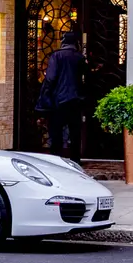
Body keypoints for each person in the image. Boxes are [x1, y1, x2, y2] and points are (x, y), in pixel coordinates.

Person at [38, 31, 89, 164]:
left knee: (56, 131)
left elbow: (50, 77)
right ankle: (75, 160)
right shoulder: (79, 57)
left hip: (58, 100)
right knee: (75, 131)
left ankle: (57, 160)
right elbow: (86, 78)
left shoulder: (57, 56)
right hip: (75, 100)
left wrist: (46, 94)